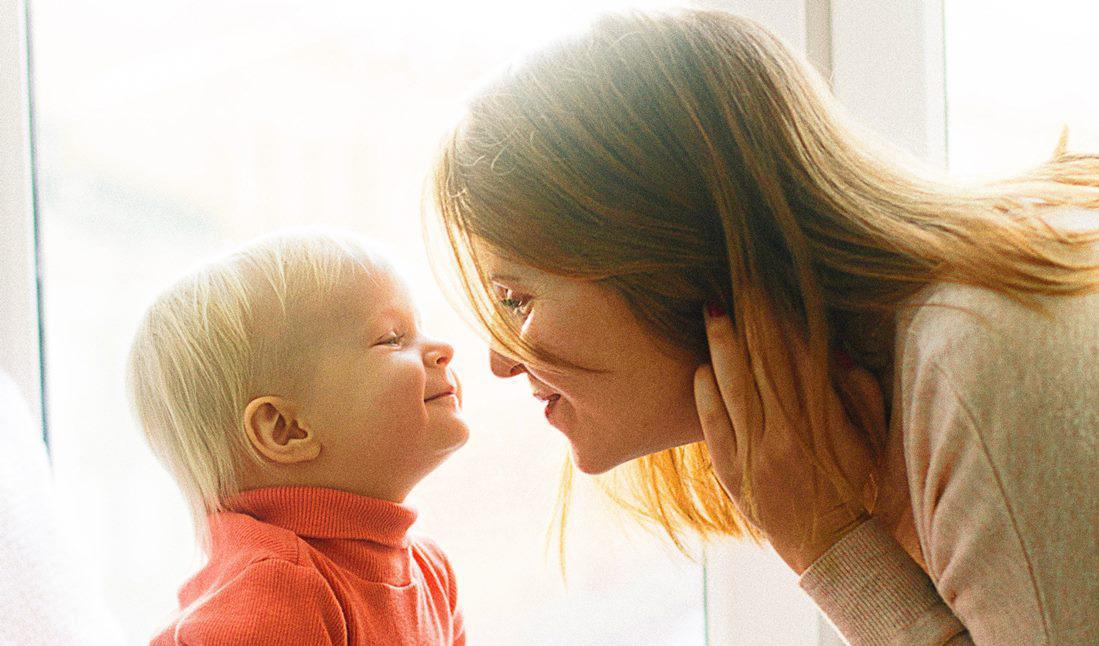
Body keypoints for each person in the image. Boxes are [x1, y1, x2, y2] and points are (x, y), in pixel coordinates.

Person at [427, 8, 1099, 645]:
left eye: (516, 300)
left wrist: (832, 549)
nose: (500, 361)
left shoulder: (975, 365)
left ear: (673, 257)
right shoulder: (916, 381)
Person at [129, 230, 468, 645]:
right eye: (392, 339)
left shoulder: (431, 571)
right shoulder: (277, 592)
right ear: (285, 429)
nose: (442, 348)